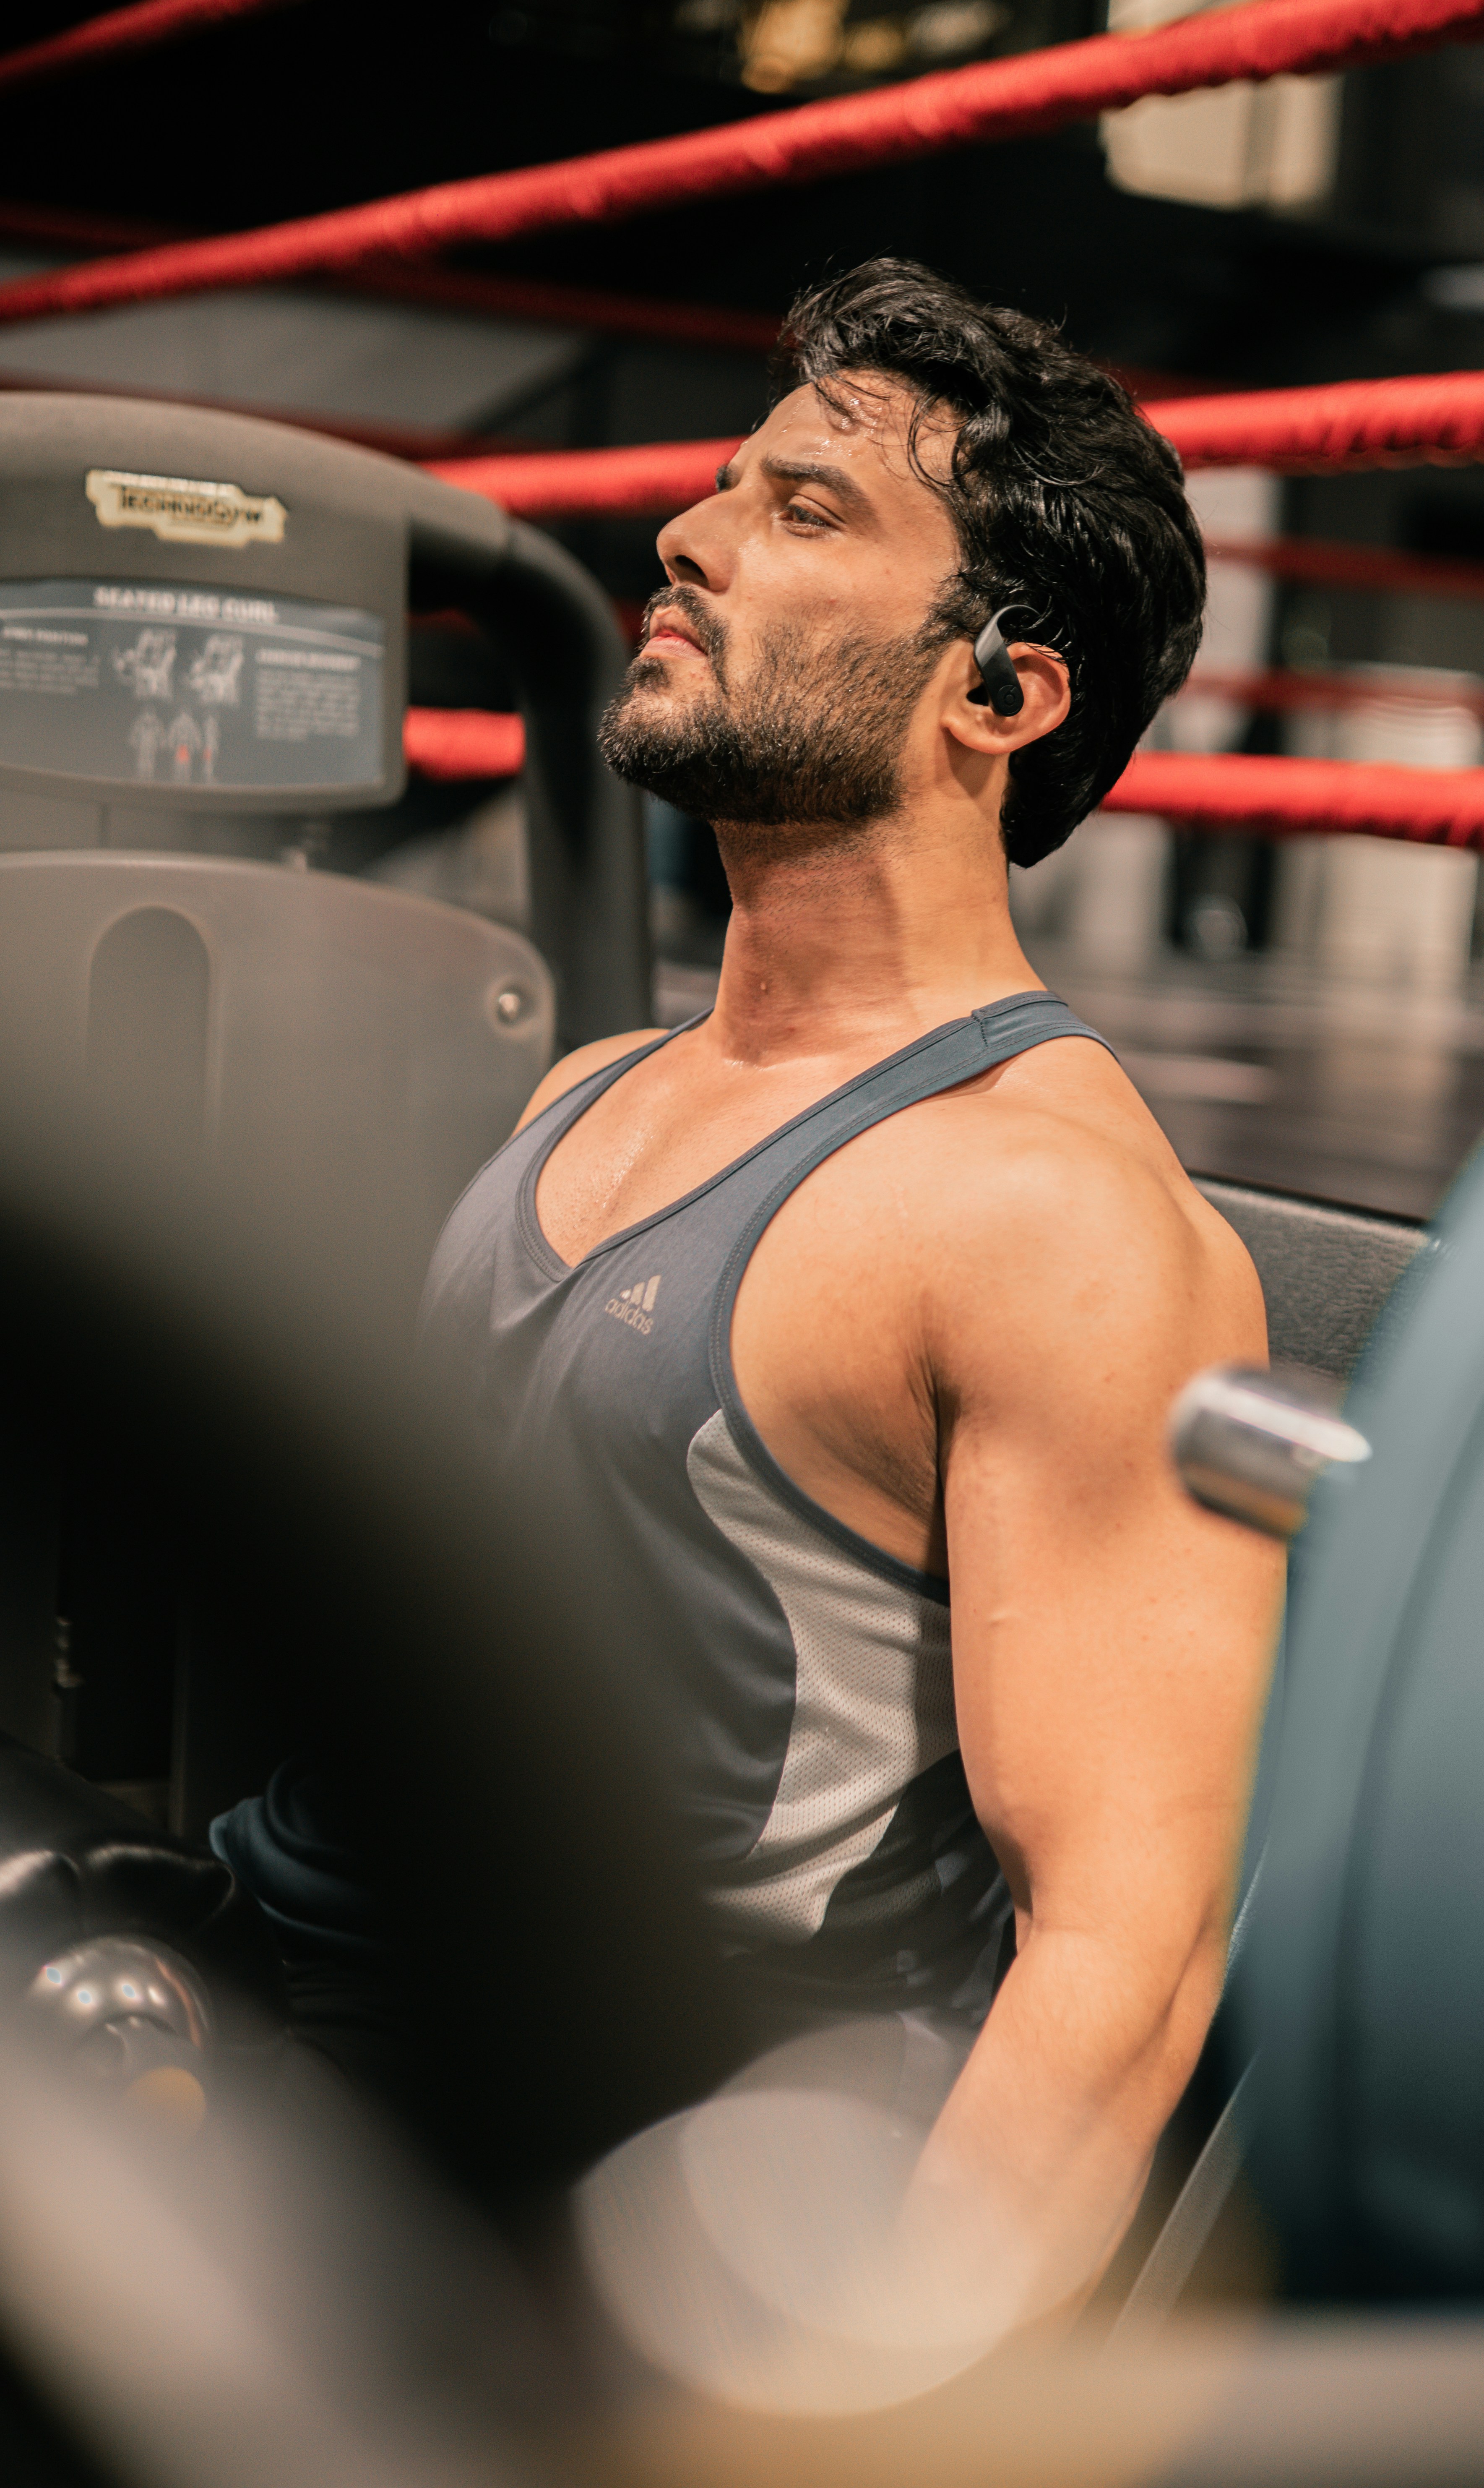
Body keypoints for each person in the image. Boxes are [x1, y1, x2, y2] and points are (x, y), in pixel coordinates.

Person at [417, 257, 1282, 2318]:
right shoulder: (593, 1088)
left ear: (1000, 692)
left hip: (634, 2194)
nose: (687, 538)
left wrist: (870, 2408)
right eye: (725, 488)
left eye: (805, 512)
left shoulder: (1049, 1226)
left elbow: (1121, 1961)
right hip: (328, 2045)